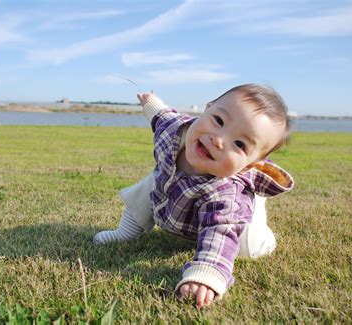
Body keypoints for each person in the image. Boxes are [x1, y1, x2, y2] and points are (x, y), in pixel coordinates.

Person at [93, 84, 294, 307]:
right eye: (218, 121)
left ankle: (257, 210)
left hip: (235, 221)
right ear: (207, 109)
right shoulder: (176, 132)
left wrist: (205, 276)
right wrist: (150, 101)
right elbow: (163, 116)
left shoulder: (227, 197)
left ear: (248, 166)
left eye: (239, 144)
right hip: (170, 188)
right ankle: (126, 231)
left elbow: (221, 233)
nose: (218, 140)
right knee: (149, 183)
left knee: (247, 248)